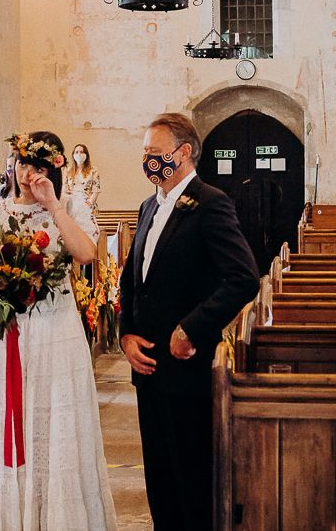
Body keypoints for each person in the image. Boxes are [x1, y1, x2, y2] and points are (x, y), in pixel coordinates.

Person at [0, 131, 117, 531]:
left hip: (55, 330)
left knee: (54, 417)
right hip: (6, 333)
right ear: (12, 165)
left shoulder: (69, 207)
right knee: (5, 420)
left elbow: (85, 254)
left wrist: (54, 207)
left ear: (54, 170)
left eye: (40, 167)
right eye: (24, 164)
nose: (30, 174)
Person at [119, 113, 259, 531]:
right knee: (159, 477)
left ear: (182, 153)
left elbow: (243, 277)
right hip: (146, 365)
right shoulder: (148, 205)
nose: (147, 160)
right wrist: (125, 332)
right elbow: (131, 277)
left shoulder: (210, 202)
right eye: (145, 153)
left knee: (190, 478)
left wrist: (192, 328)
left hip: (186, 367)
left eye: (153, 153)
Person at [65, 143, 100, 212]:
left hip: (87, 205)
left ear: (86, 155)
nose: (79, 154)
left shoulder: (93, 170)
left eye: (81, 152)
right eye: (76, 152)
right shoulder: (67, 171)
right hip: (72, 205)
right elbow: (65, 188)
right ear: (73, 155)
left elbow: (96, 189)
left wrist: (89, 203)